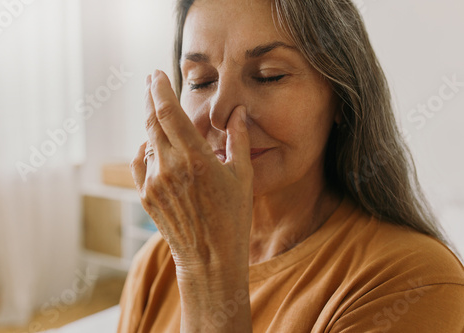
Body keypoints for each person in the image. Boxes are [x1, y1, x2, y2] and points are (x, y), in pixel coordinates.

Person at [118, 0, 464, 331]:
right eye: (201, 82)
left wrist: (208, 271)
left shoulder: (414, 282)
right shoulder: (157, 263)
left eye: (269, 76)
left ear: (343, 97)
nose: (219, 113)